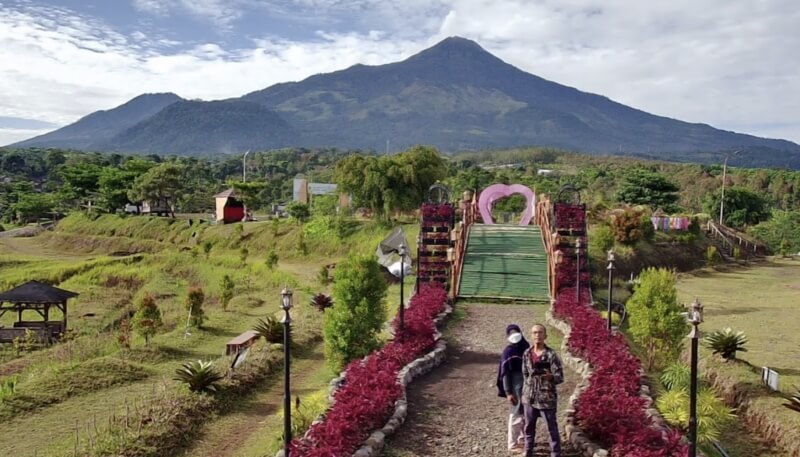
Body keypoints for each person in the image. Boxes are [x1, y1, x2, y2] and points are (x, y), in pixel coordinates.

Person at [521, 324, 564, 457]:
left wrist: (550, 376)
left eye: (540, 333)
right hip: (529, 398)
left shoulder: (551, 355)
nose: (537, 335)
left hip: (546, 399)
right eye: (534, 333)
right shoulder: (527, 354)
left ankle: (555, 453)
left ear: (545, 336)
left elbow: (560, 377)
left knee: (551, 429)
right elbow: (525, 374)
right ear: (531, 335)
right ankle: (528, 451)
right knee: (528, 427)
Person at [496, 324, 530, 454]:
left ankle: (523, 439)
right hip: (515, 385)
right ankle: (512, 444)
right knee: (516, 413)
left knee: (527, 413)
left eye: (516, 332)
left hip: (527, 384)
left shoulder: (526, 347)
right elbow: (505, 374)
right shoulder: (508, 351)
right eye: (512, 333)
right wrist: (508, 392)